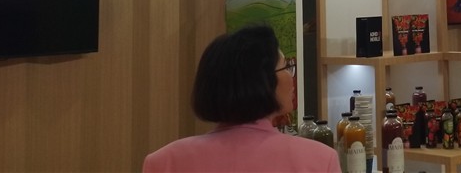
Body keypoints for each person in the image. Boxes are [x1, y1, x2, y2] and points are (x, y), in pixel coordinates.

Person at [143, 25, 339, 173]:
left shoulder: (164, 162)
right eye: (286, 67)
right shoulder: (319, 160)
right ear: (261, 81)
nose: (291, 77)